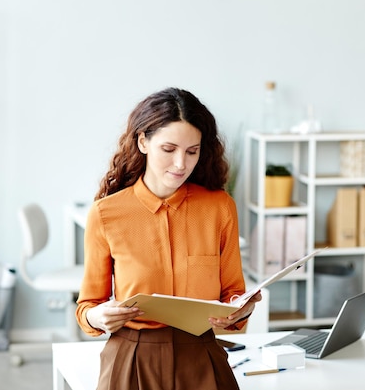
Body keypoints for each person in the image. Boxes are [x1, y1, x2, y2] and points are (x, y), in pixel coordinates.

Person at [76, 87, 261, 390]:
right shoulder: (106, 213)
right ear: (143, 141)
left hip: (201, 354)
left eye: (192, 152)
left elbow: (233, 294)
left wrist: (240, 310)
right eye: (169, 149)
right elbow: (87, 307)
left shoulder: (220, 207)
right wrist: (98, 317)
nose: (180, 164)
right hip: (132, 357)